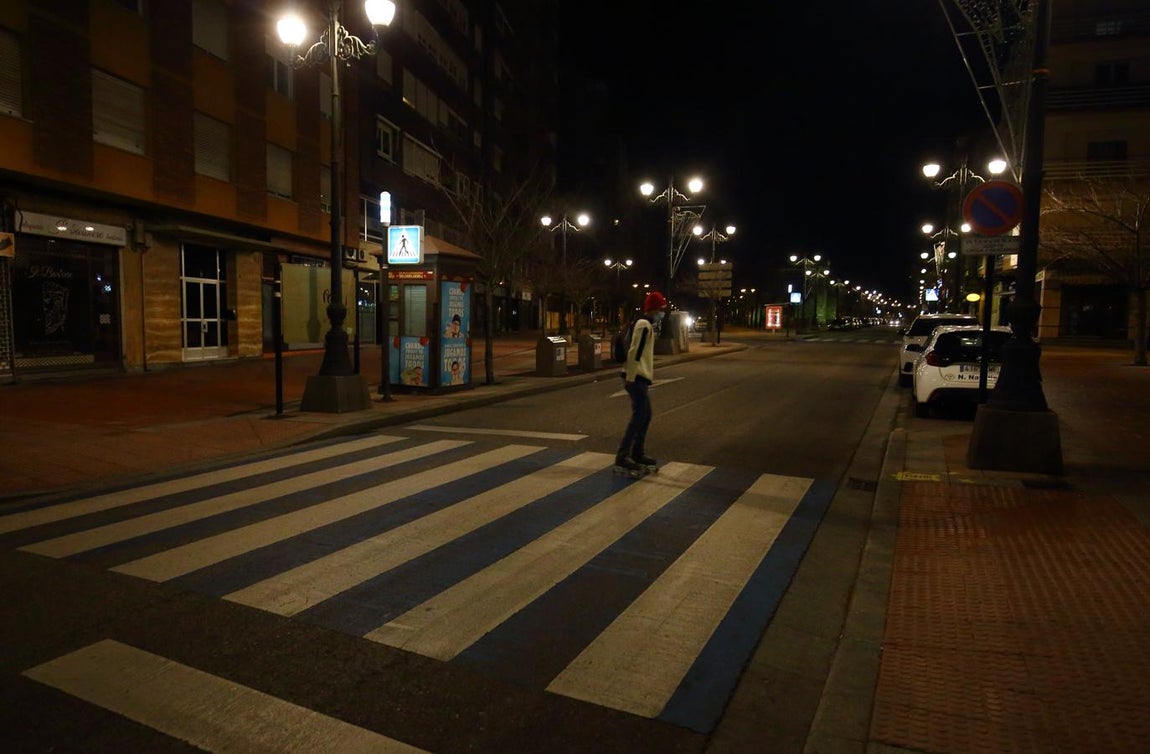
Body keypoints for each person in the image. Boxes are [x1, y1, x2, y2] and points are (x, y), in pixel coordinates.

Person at [615, 291, 667, 475]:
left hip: (638, 376)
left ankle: (637, 453)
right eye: (661, 309)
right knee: (640, 416)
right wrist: (630, 376)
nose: (663, 312)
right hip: (636, 376)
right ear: (654, 308)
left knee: (645, 415)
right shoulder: (644, 325)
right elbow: (635, 351)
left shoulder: (645, 324)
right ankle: (623, 457)